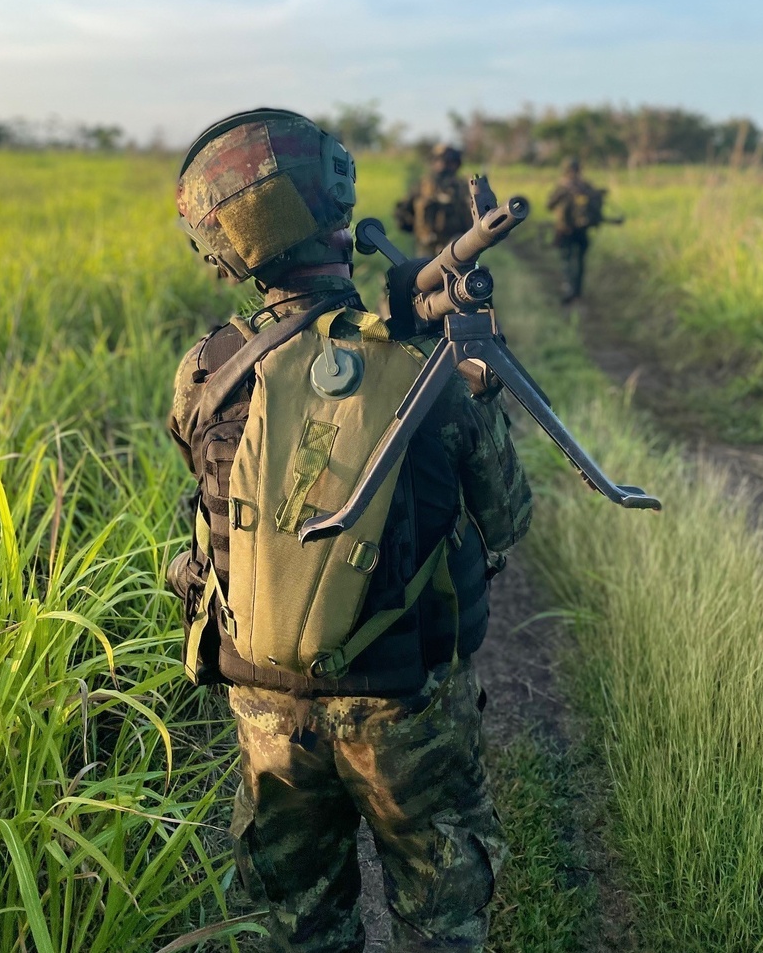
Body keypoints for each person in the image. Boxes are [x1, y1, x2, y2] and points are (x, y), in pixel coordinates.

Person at [167, 108, 532, 953]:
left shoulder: (204, 371)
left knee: (296, 924)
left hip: (267, 712)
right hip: (407, 708)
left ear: (230, 241)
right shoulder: (426, 363)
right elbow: (509, 516)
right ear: (336, 213)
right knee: (441, 915)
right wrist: (476, 376)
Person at [545, 156, 608, 303]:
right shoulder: (586, 186)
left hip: (564, 230)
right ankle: (577, 292)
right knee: (579, 261)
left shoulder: (562, 186)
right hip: (582, 230)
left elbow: (549, 205)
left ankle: (569, 290)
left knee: (567, 260)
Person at [394, 143, 474, 256]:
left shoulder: (463, 187)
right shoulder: (422, 186)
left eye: (448, 161)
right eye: (438, 160)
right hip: (427, 247)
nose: (442, 165)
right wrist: (419, 230)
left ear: (456, 164)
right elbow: (403, 212)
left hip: (456, 247)